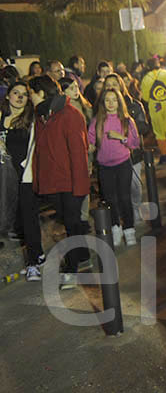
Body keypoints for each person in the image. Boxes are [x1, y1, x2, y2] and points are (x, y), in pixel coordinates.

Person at [30, 75, 91, 290]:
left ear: (42, 93)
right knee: (70, 223)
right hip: (53, 183)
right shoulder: (41, 116)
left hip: (71, 183)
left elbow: (79, 155)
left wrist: (80, 187)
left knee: (72, 225)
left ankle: (72, 269)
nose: (30, 98)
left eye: (32, 93)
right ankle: (83, 255)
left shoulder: (70, 114)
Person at [0, 81, 45, 280]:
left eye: (24, 94)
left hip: (25, 177)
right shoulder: (1, 118)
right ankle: (38, 252)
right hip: (4, 180)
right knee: (16, 221)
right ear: (7, 96)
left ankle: (33, 263)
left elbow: (35, 148)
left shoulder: (31, 120)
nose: (19, 97)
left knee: (28, 219)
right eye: (15, 93)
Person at [88, 89, 140, 246]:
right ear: (103, 103)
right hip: (104, 166)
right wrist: (88, 149)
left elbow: (135, 143)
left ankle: (129, 230)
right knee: (110, 200)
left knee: (124, 197)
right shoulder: (97, 120)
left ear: (119, 102)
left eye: (114, 100)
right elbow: (89, 141)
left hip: (123, 163)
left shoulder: (126, 120)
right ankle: (115, 228)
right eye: (107, 100)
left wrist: (121, 138)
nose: (111, 103)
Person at [103, 73, 151, 226]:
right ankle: (123, 218)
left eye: (114, 84)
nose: (111, 87)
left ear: (121, 86)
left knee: (134, 186)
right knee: (118, 191)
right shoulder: (102, 109)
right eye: (108, 85)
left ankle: (135, 208)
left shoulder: (134, 106)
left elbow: (144, 126)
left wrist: (128, 130)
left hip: (132, 154)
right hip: (110, 159)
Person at [140, 57, 166, 164]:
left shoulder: (146, 78)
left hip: (155, 106)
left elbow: (145, 97)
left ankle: (165, 155)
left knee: (159, 132)